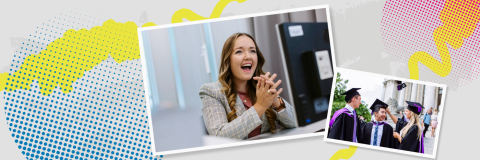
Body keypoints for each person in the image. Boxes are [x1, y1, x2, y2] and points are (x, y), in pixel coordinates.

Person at [199, 33, 297, 140]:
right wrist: (260, 106)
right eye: (239, 51)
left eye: (252, 51)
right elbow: (219, 137)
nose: (248, 56)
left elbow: (296, 123)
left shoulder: (262, 87)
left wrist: (276, 102)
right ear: (228, 60)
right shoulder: (211, 91)